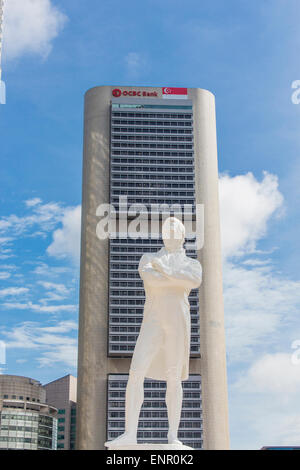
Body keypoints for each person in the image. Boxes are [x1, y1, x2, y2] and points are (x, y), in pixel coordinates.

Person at [105, 217, 202, 447]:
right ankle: (130, 434)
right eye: (165, 231)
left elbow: (194, 280)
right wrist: (175, 277)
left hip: (178, 320)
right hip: (153, 319)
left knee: (174, 378)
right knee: (136, 371)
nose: (168, 235)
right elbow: (152, 279)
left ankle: (173, 437)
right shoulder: (149, 259)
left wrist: (166, 270)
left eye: (173, 231)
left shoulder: (192, 263)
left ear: (181, 234)